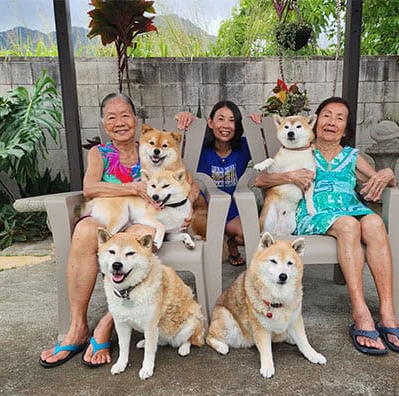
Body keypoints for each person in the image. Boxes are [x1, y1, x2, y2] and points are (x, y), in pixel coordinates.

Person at [254, 97, 399, 355]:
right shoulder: (301, 150)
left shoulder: (352, 156)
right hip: (316, 214)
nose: (332, 121)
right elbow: (260, 180)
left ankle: (387, 312)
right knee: (349, 226)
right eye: (327, 115)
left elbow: (378, 181)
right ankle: (361, 312)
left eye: (340, 117)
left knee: (374, 223)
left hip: (352, 208)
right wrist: (289, 176)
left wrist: (387, 174)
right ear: (315, 123)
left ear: (345, 127)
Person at [39, 93, 164, 368]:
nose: (119, 122)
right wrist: (129, 187)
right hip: (106, 221)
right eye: (111, 117)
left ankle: (106, 324)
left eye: (125, 115)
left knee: (139, 238)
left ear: (136, 120)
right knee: (85, 230)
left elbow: (178, 175)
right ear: (105, 125)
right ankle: (77, 327)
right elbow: (90, 188)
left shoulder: (152, 149)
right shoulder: (100, 153)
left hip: (141, 221)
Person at [175, 101, 260, 266]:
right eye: (220, 119)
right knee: (209, 253)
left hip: (232, 209)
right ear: (210, 122)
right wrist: (182, 118)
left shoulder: (243, 146)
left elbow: (270, 146)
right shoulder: (197, 147)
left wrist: (258, 125)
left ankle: (232, 242)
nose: (226, 125)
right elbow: (172, 143)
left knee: (247, 235)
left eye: (232, 120)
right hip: (203, 209)